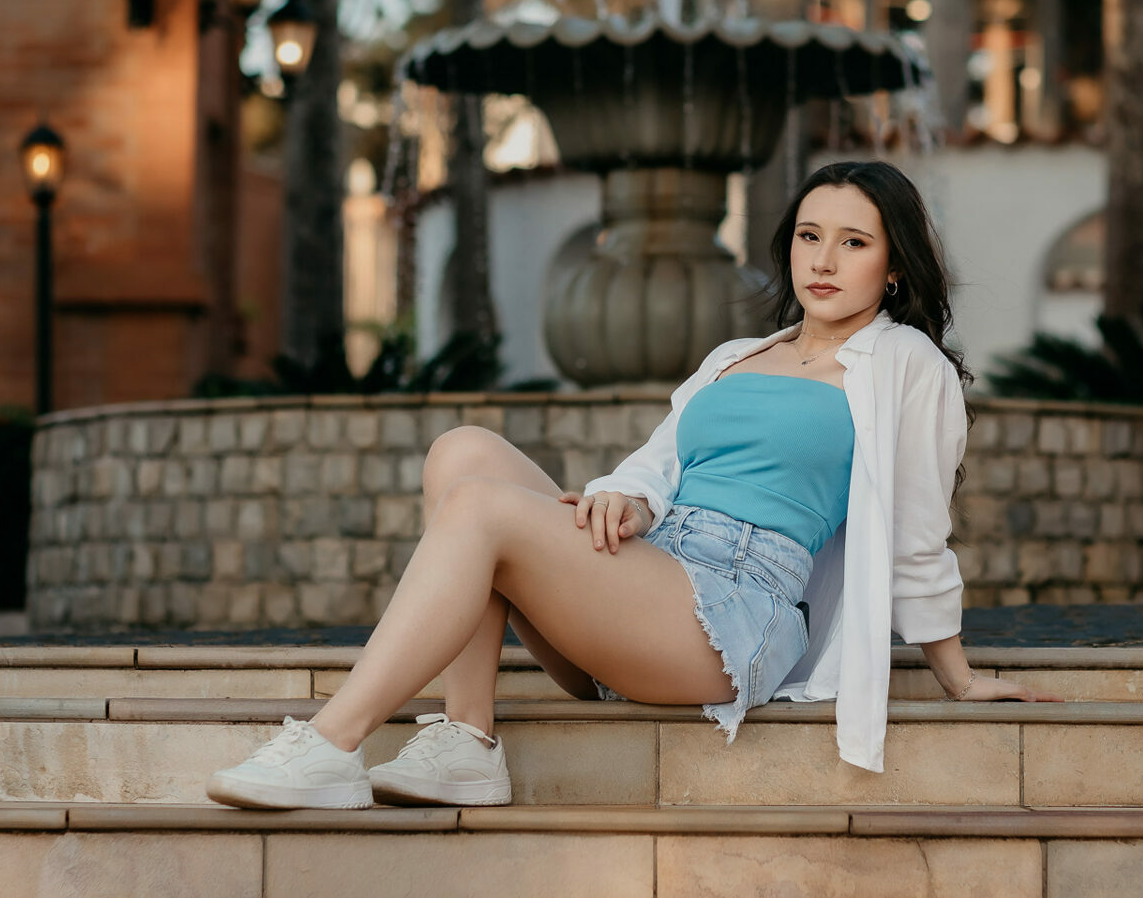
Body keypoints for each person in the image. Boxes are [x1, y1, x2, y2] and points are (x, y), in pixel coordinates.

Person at [203, 159, 1064, 811]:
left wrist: (957, 677)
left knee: (482, 510)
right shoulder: (738, 356)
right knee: (463, 454)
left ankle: (331, 745)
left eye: (854, 242)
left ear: (895, 266)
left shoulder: (907, 365)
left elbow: (918, 531)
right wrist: (625, 496)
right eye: (809, 236)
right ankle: (465, 741)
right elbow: (656, 462)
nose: (824, 260)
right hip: (651, 575)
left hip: (734, 611)